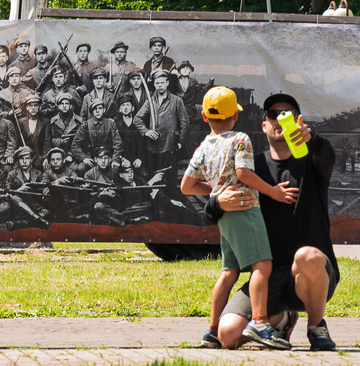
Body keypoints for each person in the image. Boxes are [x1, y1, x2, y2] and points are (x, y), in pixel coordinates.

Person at [207, 93, 339, 352]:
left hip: (314, 274)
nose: (280, 120)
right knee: (228, 334)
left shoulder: (313, 161)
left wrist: (312, 139)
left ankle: (317, 327)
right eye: (273, 115)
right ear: (264, 125)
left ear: (298, 121)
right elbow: (210, 212)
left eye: (287, 114)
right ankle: (281, 320)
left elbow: (327, 154)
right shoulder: (249, 169)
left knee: (307, 256)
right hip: (269, 277)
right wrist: (218, 204)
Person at [180, 87, 296, 350]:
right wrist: (274, 192)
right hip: (245, 210)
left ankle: (211, 331)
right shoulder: (239, 139)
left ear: (204, 116)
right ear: (235, 115)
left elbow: (186, 186)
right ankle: (260, 322)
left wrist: (216, 192)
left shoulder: (202, 148)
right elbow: (243, 173)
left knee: (229, 272)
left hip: (225, 217)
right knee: (262, 266)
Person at [136, 69, 189, 176]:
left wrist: (180, 142)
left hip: (170, 145)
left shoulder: (176, 100)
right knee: (154, 178)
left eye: (162, 82)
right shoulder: (150, 101)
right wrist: (146, 131)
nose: (160, 85)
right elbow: (137, 119)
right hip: (153, 147)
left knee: (170, 179)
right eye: (157, 83)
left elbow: (185, 122)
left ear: (167, 83)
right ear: (154, 84)